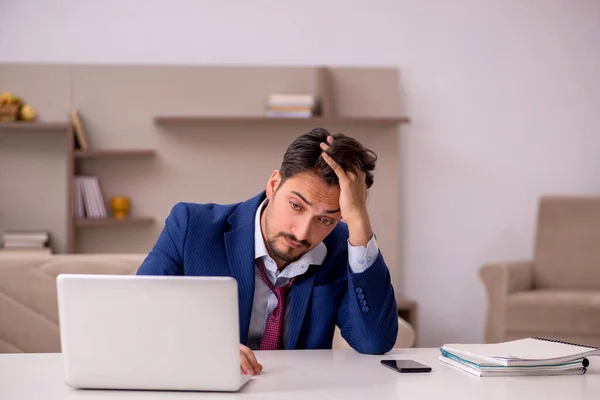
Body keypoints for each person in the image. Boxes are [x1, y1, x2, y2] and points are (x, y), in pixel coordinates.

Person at [136, 127, 399, 375]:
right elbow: (137, 316)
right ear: (274, 184)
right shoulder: (191, 226)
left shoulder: (344, 248)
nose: (302, 233)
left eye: (326, 220)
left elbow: (374, 341)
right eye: (296, 206)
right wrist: (203, 349)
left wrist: (359, 221)